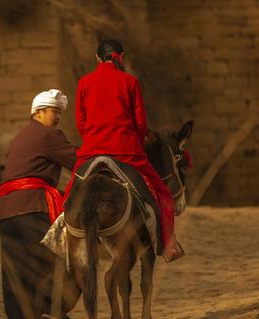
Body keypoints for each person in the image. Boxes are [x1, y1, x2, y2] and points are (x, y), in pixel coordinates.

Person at [63, 39, 183, 261]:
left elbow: (81, 121)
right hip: (126, 152)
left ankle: (61, 243)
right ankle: (168, 246)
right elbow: (140, 123)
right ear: (122, 57)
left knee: (68, 197)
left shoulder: (84, 82)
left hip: (92, 151)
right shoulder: (130, 82)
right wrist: (136, 144)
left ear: (97, 58)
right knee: (162, 194)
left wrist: (93, 140)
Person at [0, 89, 81, 319]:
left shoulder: (19, 138)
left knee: (19, 270)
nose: (57, 118)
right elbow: (77, 160)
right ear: (39, 112)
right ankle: (55, 304)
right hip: (33, 205)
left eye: (59, 113)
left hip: (7, 211)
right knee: (60, 254)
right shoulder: (48, 135)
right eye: (54, 112)